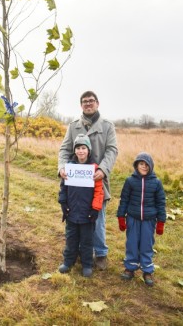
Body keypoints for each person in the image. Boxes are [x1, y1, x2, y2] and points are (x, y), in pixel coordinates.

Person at [58, 91, 118, 270]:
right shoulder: (73, 126)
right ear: (81, 105)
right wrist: (61, 167)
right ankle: (77, 252)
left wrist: (103, 169)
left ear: (97, 103)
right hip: (75, 184)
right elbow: (64, 149)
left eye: (91, 101)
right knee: (75, 219)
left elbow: (112, 150)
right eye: (85, 101)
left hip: (97, 181)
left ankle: (100, 254)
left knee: (97, 220)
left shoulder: (108, 126)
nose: (88, 104)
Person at [116, 152, 166, 286]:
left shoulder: (156, 183)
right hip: (133, 218)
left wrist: (161, 221)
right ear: (136, 165)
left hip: (149, 220)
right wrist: (121, 216)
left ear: (151, 166)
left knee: (146, 245)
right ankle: (130, 268)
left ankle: (147, 270)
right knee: (131, 243)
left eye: (146, 165)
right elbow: (124, 200)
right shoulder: (130, 181)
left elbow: (161, 202)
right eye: (141, 164)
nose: (143, 167)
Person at [58, 134, 104, 277]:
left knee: (86, 240)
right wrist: (63, 204)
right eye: (78, 148)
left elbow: (98, 192)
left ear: (88, 150)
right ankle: (68, 261)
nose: (81, 151)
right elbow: (63, 188)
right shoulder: (69, 168)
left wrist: (95, 209)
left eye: (83, 148)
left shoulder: (94, 169)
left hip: (87, 214)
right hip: (71, 212)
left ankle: (87, 264)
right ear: (74, 150)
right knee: (71, 238)